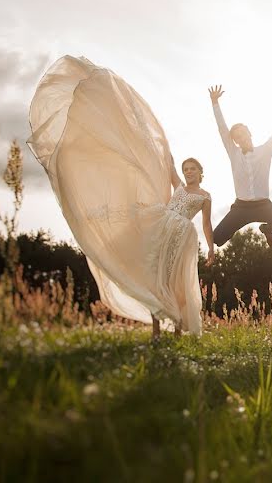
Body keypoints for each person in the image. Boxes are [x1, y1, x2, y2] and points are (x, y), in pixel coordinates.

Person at [27, 55, 213, 338]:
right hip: (162, 228)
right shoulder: (178, 186)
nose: (188, 173)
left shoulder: (205, 196)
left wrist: (211, 248)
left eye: (193, 169)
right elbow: (169, 161)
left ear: (201, 172)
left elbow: (208, 224)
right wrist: (149, 136)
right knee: (153, 277)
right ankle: (156, 331)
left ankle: (177, 329)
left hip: (183, 235)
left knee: (175, 282)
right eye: (186, 169)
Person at [208, 85, 272, 251]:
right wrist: (215, 103)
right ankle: (235, 229)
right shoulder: (233, 153)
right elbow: (222, 129)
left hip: (264, 206)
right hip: (241, 208)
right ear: (235, 141)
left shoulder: (265, 150)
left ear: (249, 132)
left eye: (243, 132)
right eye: (237, 136)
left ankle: (267, 229)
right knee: (216, 239)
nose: (241, 137)